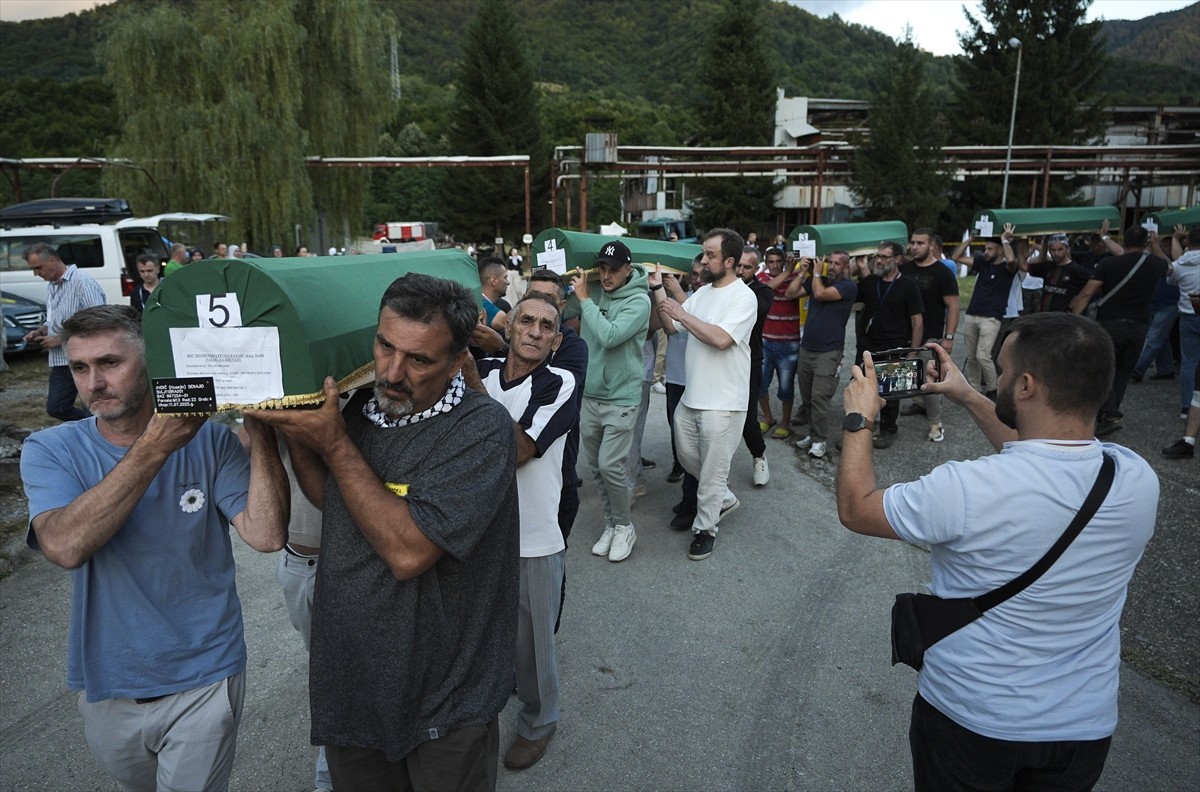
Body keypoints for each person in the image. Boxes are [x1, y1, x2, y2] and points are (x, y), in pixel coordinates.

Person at [837, 312, 1157, 792]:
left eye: (1003, 372)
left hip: (973, 718)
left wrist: (859, 418)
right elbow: (1046, 453)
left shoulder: (967, 488)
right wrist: (967, 395)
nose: (998, 380)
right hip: (1083, 727)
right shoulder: (1133, 476)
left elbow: (856, 509)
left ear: (1025, 386)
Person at [250, 273, 519, 791]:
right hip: (353, 685)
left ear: (457, 359)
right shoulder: (360, 410)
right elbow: (334, 500)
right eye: (385, 346)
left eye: (419, 359)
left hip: (444, 697)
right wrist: (290, 421)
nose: (393, 373)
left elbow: (408, 552)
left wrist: (334, 444)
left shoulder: (481, 429)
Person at [20, 305, 289, 791]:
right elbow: (63, 546)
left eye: (110, 363)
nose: (93, 382)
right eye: (79, 367)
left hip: (205, 673)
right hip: (107, 681)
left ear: (152, 362)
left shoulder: (211, 441)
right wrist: (154, 447)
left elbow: (267, 535)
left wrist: (261, 428)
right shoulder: (50, 449)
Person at [473, 293, 577, 771]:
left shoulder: (559, 382)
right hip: (474, 535)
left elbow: (515, 450)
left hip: (532, 539)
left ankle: (539, 722)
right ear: (510, 328)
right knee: (476, 635)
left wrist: (470, 381)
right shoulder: (485, 370)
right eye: (527, 321)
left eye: (546, 326)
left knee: (534, 646)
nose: (535, 331)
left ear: (555, 342)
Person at [650, 228, 757, 561]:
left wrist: (683, 312)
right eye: (704, 253)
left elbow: (722, 339)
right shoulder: (702, 293)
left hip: (724, 402)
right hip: (692, 396)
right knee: (687, 458)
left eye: (710, 255)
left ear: (729, 261)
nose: (703, 260)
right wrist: (656, 289)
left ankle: (706, 529)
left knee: (712, 470)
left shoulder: (743, 297)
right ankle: (723, 497)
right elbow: (672, 327)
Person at [571, 239, 651, 563]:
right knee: (595, 467)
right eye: (602, 269)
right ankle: (611, 523)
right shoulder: (594, 289)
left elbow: (610, 335)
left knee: (610, 465)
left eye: (613, 270)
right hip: (591, 393)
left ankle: (625, 526)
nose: (606, 276)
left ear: (628, 269)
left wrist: (584, 300)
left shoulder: (640, 300)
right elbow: (564, 309)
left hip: (621, 397)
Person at [1070, 225, 1169, 436]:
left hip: (1110, 323)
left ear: (1124, 241)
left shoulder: (1109, 263)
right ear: (1146, 243)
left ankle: (1110, 413)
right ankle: (1109, 416)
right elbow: (1169, 268)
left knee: (1101, 369)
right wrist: (1155, 245)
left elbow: (1088, 293)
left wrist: (1073, 318)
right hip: (1140, 325)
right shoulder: (1155, 264)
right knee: (1122, 373)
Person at [20, 242, 106, 421]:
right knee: (57, 407)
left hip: (85, 359)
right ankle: (88, 429)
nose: (36, 273)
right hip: (61, 360)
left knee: (92, 408)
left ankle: (98, 433)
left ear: (52, 260)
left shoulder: (82, 281)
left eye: (38, 268)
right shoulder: (52, 285)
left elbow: (98, 320)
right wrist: (41, 331)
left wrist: (61, 339)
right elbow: (53, 320)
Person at [853, 241, 923, 449]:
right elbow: (850, 295)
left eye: (884, 257)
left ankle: (888, 430)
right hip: (867, 345)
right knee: (860, 387)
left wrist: (912, 353)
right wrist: (859, 264)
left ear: (898, 259)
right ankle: (858, 428)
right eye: (878, 256)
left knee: (891, 393)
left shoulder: (908, 286)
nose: (879, 260)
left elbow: (917, 321)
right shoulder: (870, 282)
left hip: (894, 345)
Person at [789, 250, 857, 459]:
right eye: (830, 262)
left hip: (829, 352)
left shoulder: (848, 286)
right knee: (807, 397)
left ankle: (820, 440)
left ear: (845, 267)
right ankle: (813, 434)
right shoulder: (818, 281)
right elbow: (790, 293)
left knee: (820, 397)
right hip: (807, 347)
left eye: (837, 263)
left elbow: (820, 294)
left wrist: (816, 274)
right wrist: (804, 272)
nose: (832, 266)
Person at [900, 228, 960, 443]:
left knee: (928, 380)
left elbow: (953, 306)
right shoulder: (904, 269)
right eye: (913, 243)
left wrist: (949, 337)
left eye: (920, 243)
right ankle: (917, 405)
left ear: (932, 245)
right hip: (904, 335)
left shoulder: (943, 272)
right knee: (902, 376)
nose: (915, 247)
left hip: (930, 337)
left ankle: (936, 423)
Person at [950, 226, 1018, 399]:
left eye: (990, 249)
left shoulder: (1007, 268)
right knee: (971, 356)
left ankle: (993, 389)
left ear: (1000, 250)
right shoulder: (983, 263)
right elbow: (956, 257)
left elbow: (1011, 260)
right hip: (972, 313)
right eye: (985, 248)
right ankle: (974, 390)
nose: (985, 252)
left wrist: (1004, 239)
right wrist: (970, 240)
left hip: (991, 317)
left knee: (983, 356)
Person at [734, 246, 774, 486]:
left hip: (750, 361)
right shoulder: (721, 288)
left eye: (746, 267)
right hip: (723, 360)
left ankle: (759, 455)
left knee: (747, 419)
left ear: (756, 268)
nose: (740, 271)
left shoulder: (762, 291)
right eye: (737, 265)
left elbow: (753, 310)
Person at [757, 247, 802, 440]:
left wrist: (799, 270)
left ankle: (785, 423)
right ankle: (768, 417)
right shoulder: (761, 278)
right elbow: (768, 289)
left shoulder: (795, 278)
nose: (775, 265)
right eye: (771, 262)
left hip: (789, 342)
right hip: (766, 341)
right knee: (760, 385)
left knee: (786, 388)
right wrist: (787, 271)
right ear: (766, 263)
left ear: (784, 261)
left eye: (778, 261)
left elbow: (796, 292)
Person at [479, 256, 511, 331]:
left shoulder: (479, 300)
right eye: (505, 277)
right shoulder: (484, 306)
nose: (508, 282)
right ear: (493, 281)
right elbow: (515, 326)